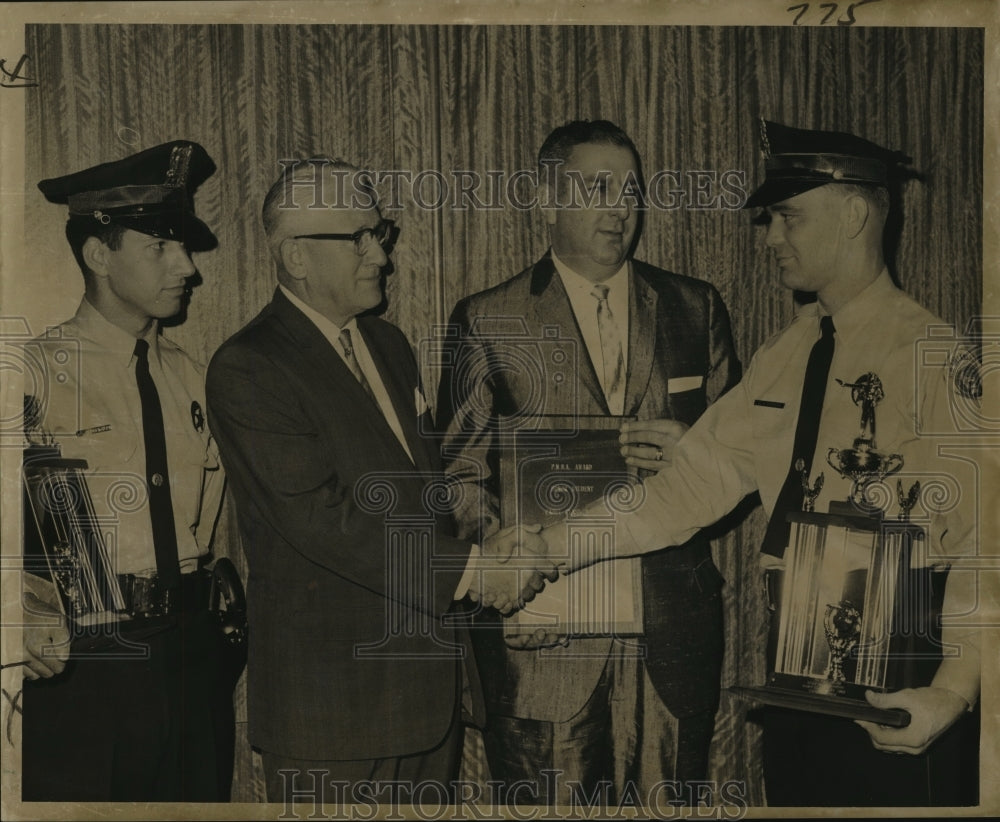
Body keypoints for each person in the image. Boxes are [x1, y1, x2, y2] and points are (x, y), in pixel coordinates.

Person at [537, 120, 984, 806]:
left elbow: (988, 543)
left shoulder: (936, 356)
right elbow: (682, 493)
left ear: (856, 213)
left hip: (904, 673)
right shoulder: (788, 354)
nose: (771, 237)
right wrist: (546, 547)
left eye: (788, 217)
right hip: (794, 671)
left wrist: (952, 691)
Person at [205, 158, 552, 804]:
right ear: (296, 257)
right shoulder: (249, 368)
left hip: (426, 700)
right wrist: (477, 572)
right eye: (358, 237)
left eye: (380, 232)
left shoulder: (388, 346)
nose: (381, 256)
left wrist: (496, 543)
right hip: (334, 718)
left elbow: (428, 494)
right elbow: (326, 522)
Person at [437, 120, 741, 803]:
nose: (619, 207)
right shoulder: (487, 318)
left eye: (630, 190)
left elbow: (734, 465)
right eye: (596, 188)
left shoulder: (696, 307)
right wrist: (507, 558)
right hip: (547, 639)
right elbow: (458, 477)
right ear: (545, 200)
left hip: (669, 636)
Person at [20, 141, 233, 801]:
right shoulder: (30, 375)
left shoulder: (195, 379)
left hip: (195, 659)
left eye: (186, 248)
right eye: (162, 248)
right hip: (88, 664)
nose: (188, 268)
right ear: (98, 255)